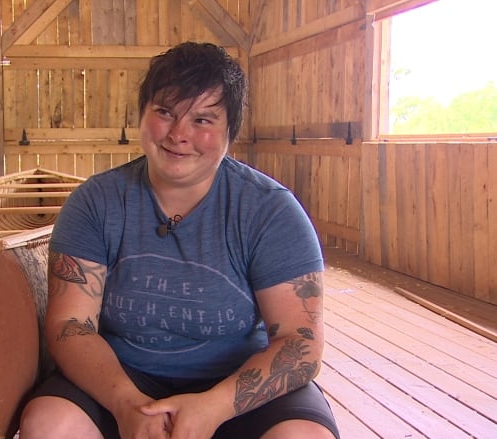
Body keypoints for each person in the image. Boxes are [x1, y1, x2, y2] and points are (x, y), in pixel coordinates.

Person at [19, 41, 339, 439]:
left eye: (203, 120)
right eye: (165, 113)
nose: (178, 135)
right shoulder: (96, 203)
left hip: (237, 384)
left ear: (230, 131)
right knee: (49, 425)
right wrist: (127, 404)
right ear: (142, 115)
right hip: (121, 377)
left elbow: (301, 343)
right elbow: (71, 325)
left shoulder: (270, 211)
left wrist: (214, 407)